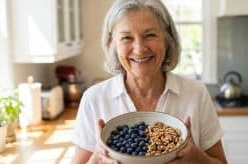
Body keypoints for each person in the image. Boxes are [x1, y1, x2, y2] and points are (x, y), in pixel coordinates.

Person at [72, 0, 227, 163]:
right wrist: (97, 157)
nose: (139, 49)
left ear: (167, 39)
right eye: (126, 37)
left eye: (150, 35)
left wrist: (197, 157)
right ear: (113, 44)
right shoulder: (94, 99)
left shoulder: (196, 93)